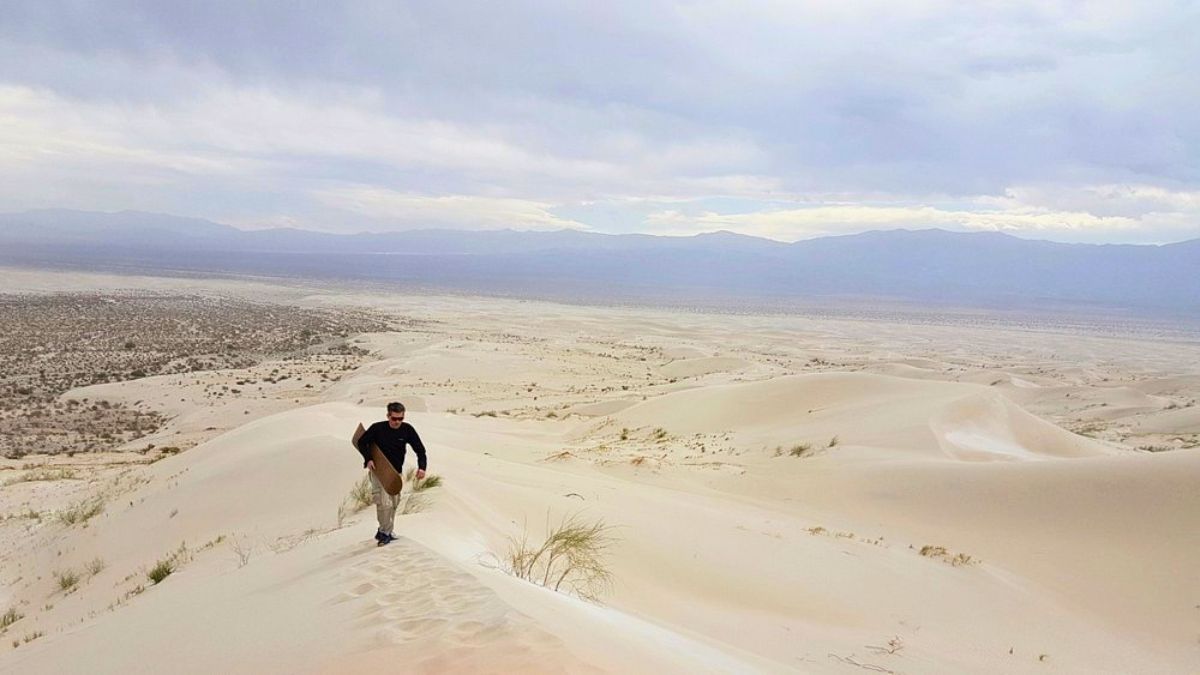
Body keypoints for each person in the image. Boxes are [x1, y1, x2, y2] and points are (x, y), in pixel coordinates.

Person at [354, 401, 427, 546]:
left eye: (400, 419)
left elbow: (420, 450)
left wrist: (422, 467)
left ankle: (386, 530)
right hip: (379, 472)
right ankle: (384, 533)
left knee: (394, 503)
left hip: (395, 473)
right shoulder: (377, 428)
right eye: (394, 418)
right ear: (388, 416)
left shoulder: (407, 430)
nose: (397, 422)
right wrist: (368, 459)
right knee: (384, 504)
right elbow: (361, 442)